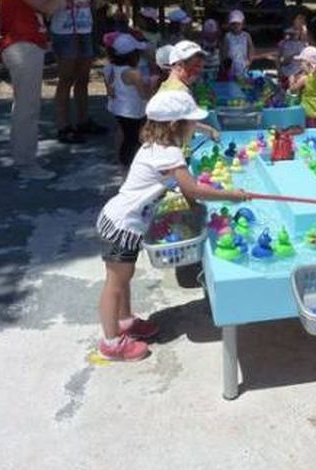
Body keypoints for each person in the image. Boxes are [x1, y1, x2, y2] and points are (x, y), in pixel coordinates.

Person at [96, 89, 248, 361]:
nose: (194, 126)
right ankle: (110, 342)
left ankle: (126, 321)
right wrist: (232, 195)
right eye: (191, 122)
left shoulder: (155, 144)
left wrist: (203, 128)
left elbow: (185, 190)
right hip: (123, 224)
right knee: (115, 283)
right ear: (177, 125)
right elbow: (193, 190)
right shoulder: (170, 155)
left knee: (124, 278)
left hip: (121, 219)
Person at [0, 0, 82, 180]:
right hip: (22, 46)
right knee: (28, 106)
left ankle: (22, 156)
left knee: (24, 105)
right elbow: (46, 6)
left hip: (25, 45)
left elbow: (45, 6)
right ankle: (26, 164)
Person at [42, 0, 107, 144]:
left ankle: (83, 120)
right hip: (64, 32)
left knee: (83, 78)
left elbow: (89, 0)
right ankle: (63, 125)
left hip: (85, 30)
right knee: (66, 78)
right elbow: (47, 7)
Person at [104, 33, 153, 167]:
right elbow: (143, 94)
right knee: (133, 139)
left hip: (118, 109)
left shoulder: (110, 67)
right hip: (133, 112)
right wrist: (152, 85)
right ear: (133, 55)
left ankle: (119, 158)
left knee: (122, 133)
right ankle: (128, 164)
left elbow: (110, 89)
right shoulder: (133, 73)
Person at [161, 40, 220, 142]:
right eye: (195, 66)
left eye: (201, 66)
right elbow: (178, 127)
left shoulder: (167, 85)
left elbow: (185, 122)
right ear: (179, 65)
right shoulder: (180, 92)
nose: (199, 71)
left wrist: (209, 131)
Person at [288, 46, 316, 127]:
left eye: (301, 63)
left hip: (305, 110)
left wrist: (291, 80)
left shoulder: (304, 78)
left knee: (304, 131)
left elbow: (293, 90)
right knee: (314, 131)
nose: (300, 66)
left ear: (308, 63)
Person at [221, 10, 254, 78]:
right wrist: (225, 64)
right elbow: (224, 51)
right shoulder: (228, 36)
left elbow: (251, 48)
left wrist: (249, 60)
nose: (236, 26)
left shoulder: (246, 35)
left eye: (238, 24)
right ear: (230, 24)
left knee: (243, 82)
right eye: (233, 24)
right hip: (231, 66)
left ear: (243, 24)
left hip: (243, 64)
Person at [277, 21, 306, 89]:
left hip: (299, 72)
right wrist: (290, 58)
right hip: (286, 71)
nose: (294, 34)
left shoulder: (303, 44)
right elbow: (280, 60)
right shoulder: (283, 44)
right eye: (292, 33)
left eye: (296, 32)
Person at [199, 18, 221, 83]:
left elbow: (221, 53)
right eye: (208, 33)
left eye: (212, 33)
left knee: (213, 84)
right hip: (204, 67)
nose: (211, 35)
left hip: (215, 66)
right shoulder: (201, 41)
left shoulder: (218, 41)